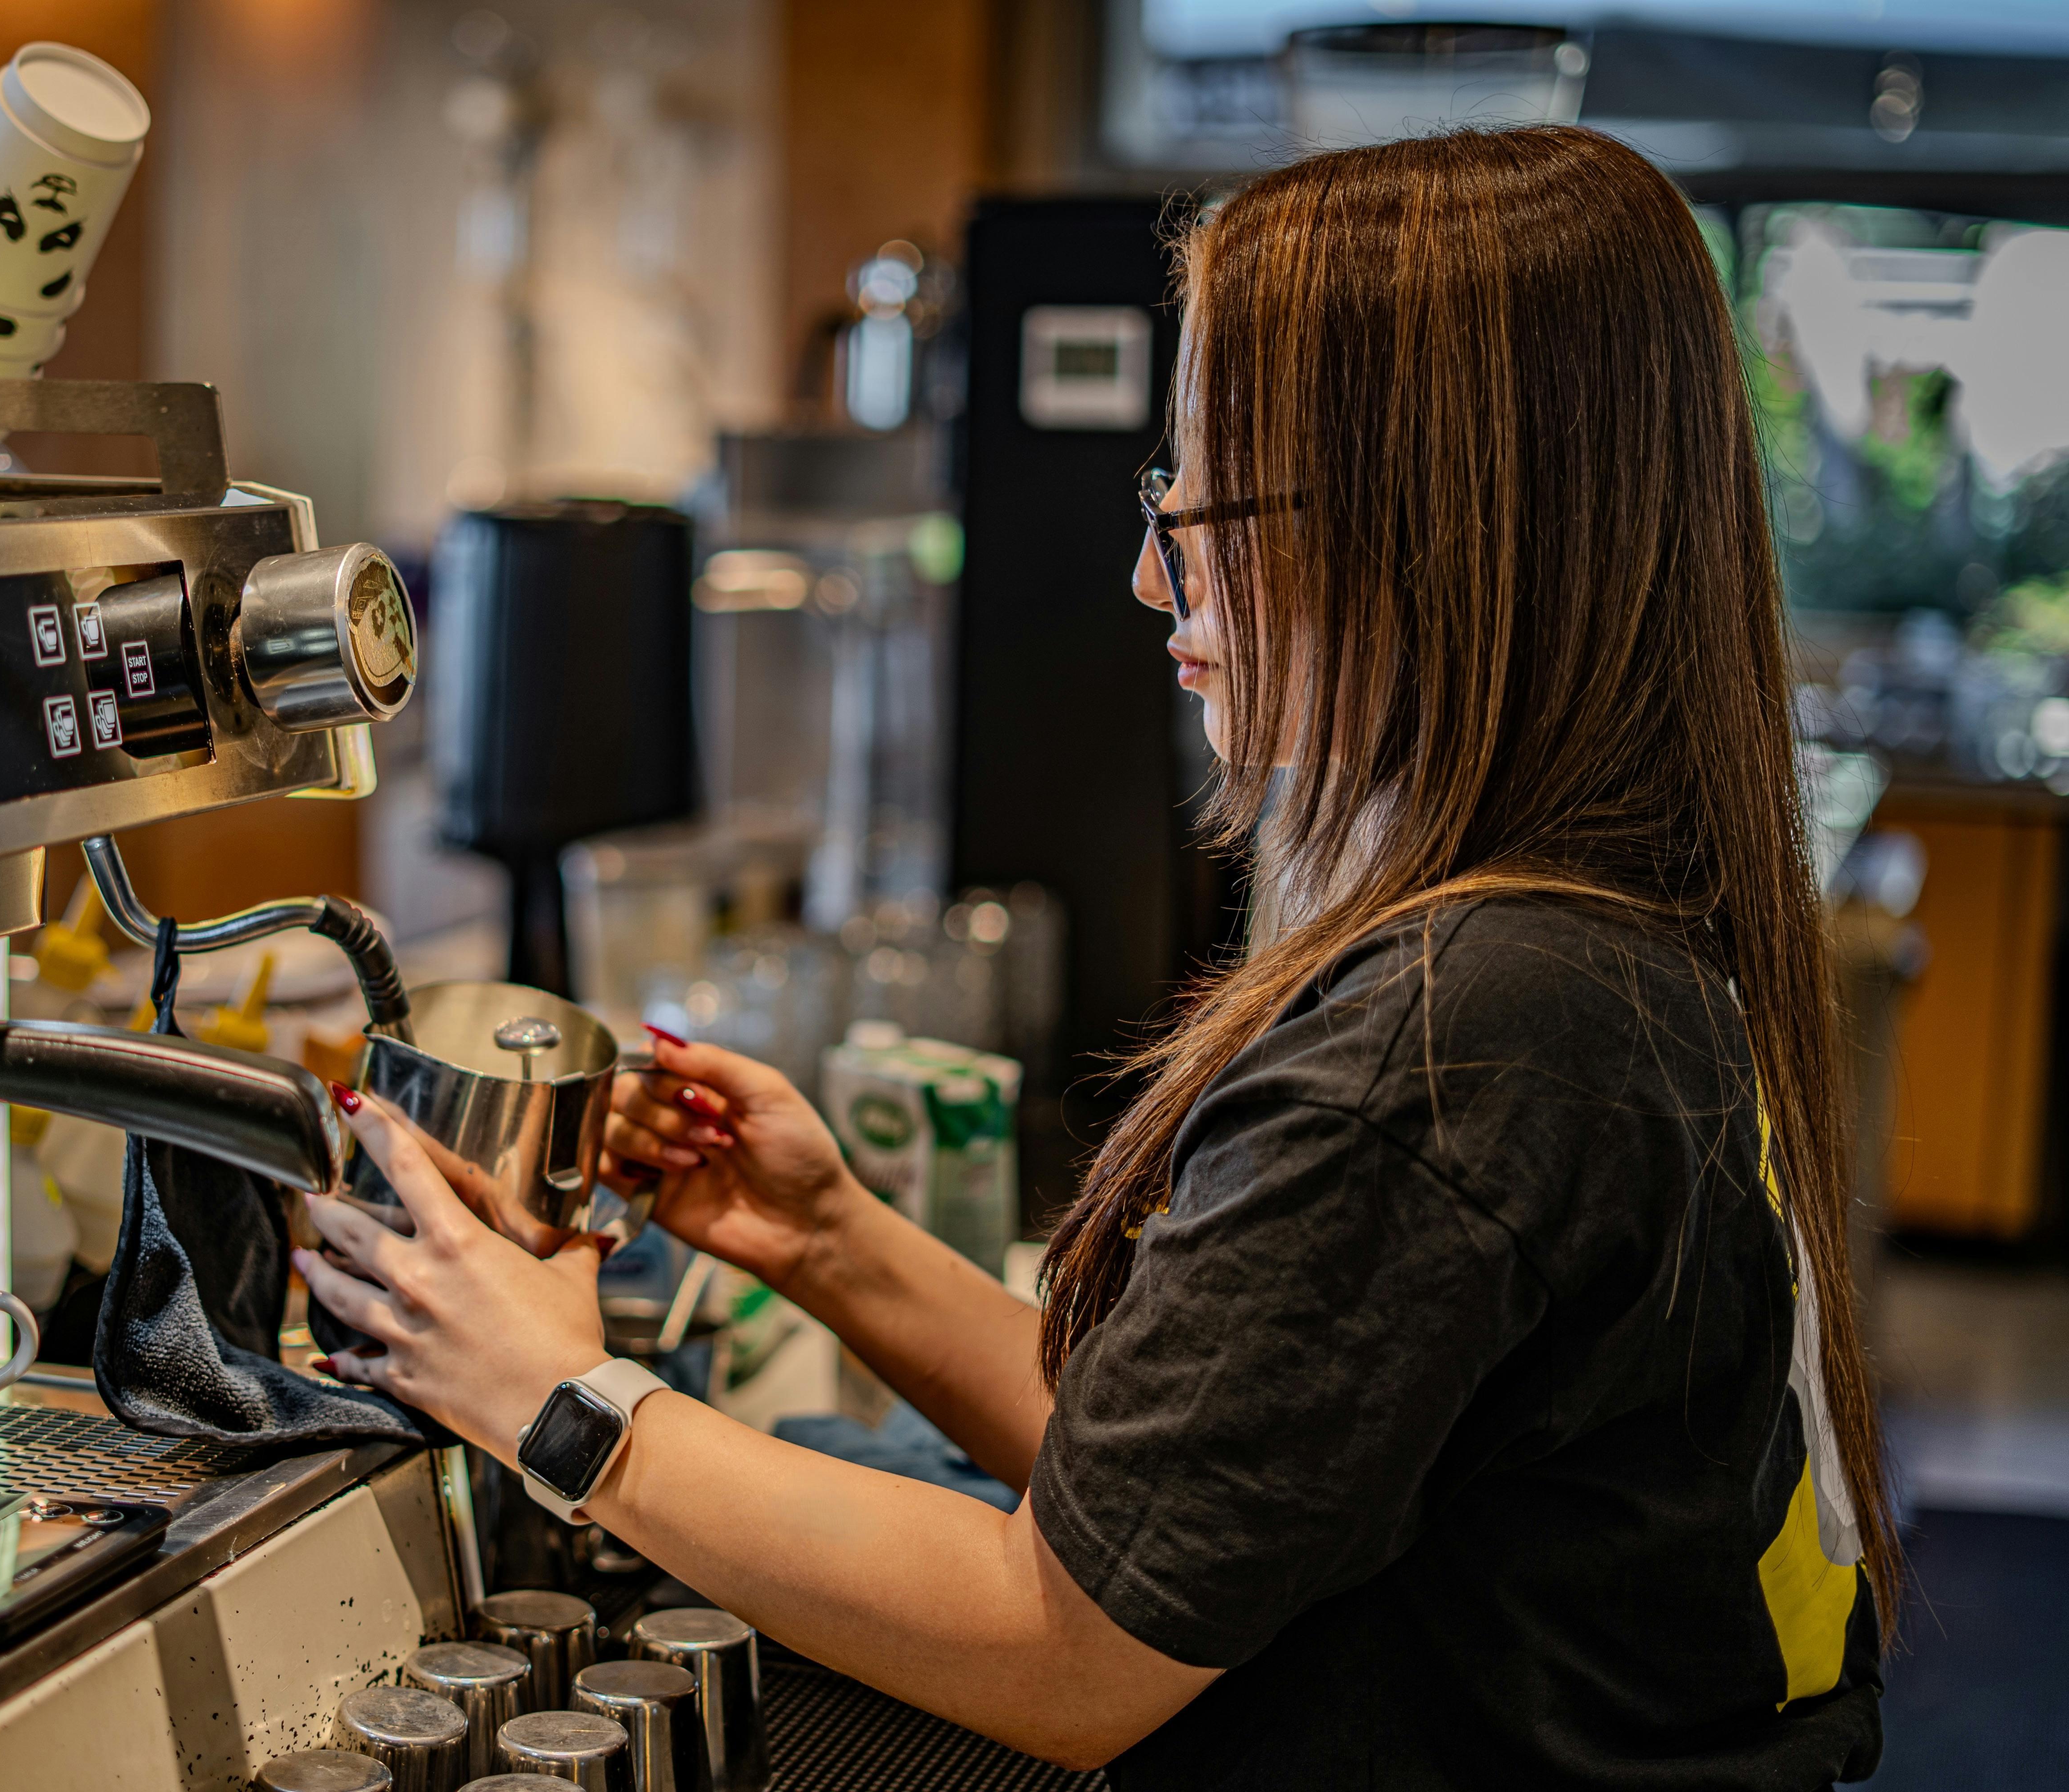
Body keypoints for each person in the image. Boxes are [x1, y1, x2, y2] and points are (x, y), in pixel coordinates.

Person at [296, 125, 1893, 1787]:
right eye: (1161, 498)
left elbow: (1064, 1650)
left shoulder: (1458, 1044)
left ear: (1436, 529)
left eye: (1200, 510)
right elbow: (1181, 1498)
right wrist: (831, 1239)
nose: (1151, 577)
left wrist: (558, 1400)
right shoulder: (1602, 946)